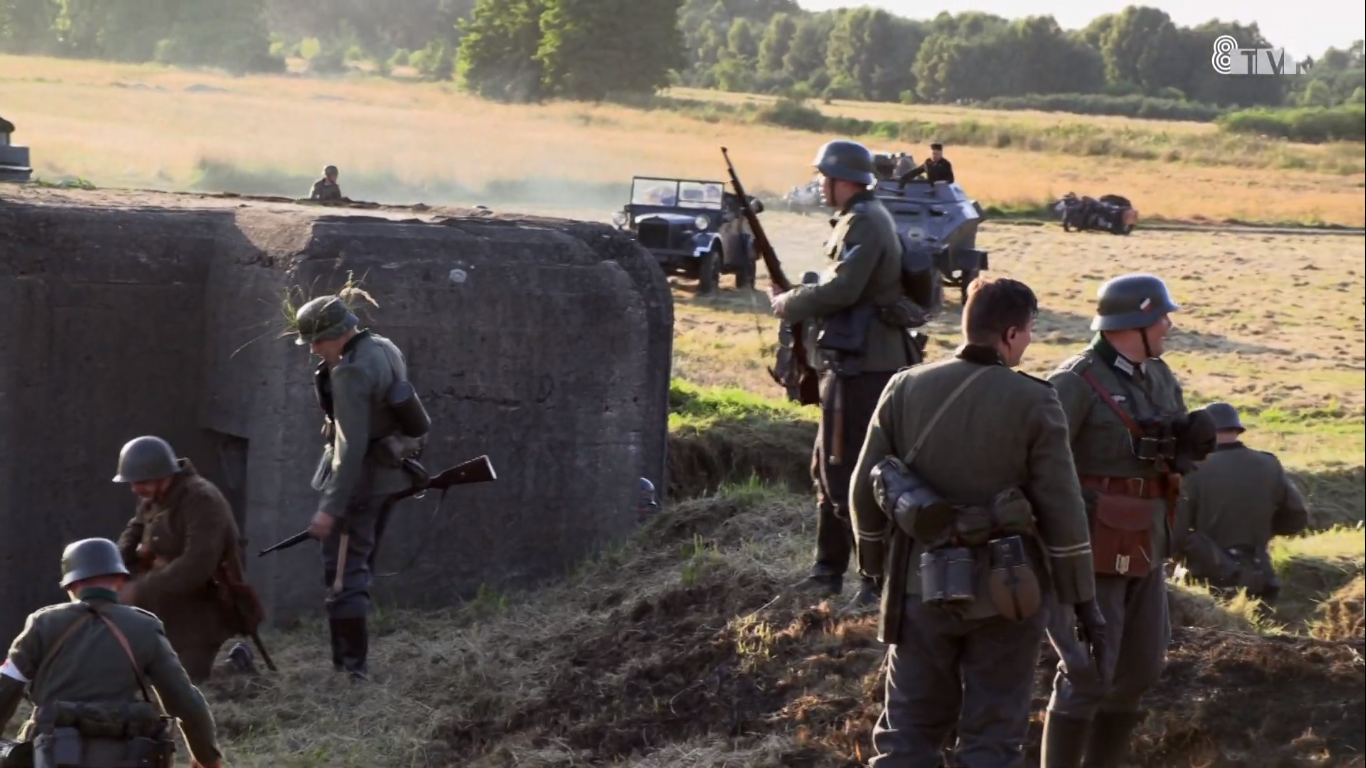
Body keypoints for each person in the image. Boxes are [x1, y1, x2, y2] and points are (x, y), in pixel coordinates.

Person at [848, 276, 1104, 766]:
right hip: (1009, 591)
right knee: (992, 737)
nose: (1029, 341)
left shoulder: (905, 386)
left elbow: (865, 487)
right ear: (1010, 333)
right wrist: (1079, 596)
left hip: (920, 587)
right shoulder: (1035, 399)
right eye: (1028, 331)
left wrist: (875, 567)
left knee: (906, 734)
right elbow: (1062, 505)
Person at [1040, 274, 1216, 768]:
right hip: (1093, 546)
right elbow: (1041, 464)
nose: (1168, 325)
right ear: (1134, 322)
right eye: (1161, 316)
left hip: (1147, 540)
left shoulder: (1158, 376)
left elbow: (1166, 446)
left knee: (1140, 668)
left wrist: (1186, 442)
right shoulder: (1075, 381)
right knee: (1088, 671)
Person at [770, 139, 920, 611]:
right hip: (850, 361)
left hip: (865, 367)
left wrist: (790, 301)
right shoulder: (858, 218)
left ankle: (873, 582)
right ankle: (826, 571)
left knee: (848, 473)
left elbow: (844, 287)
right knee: (826, 468)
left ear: (844, 179)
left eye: (824, 176)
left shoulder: (867, 221)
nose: (819, 183)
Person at [293, 293, 427, 680]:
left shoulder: (350, 372)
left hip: (359, 487)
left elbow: (349, 449)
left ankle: (351, 672)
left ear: (336, 334)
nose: (315, 350)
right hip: (388, 478)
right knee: (358, 568)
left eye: (317, 341)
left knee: (343, 577)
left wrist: (330, 508)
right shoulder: (384, 347)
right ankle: (350, 668)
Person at [0, 538, 223, 768]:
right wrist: (207, 757)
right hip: (129, 758)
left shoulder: (43, 623)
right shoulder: (145, 627)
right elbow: (185, 700)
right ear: (119, 580)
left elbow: (6, 687)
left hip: (54, 757)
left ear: (70, 585)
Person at [113, 435, 253, 683]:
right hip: (161, 601)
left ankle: (235, 665)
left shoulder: (201, 500)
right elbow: (133, 532)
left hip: (199, 610)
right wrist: (111, 567)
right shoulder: (153, 497)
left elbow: (196, 566)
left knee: (182, 684)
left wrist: (139, 589)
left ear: (162, 475)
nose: (134, 489)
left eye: (140, 482)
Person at [1172, 402, 1309, 608]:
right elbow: (1296, 519)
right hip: (1260, 575)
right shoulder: (1268, 463)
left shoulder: (1193, 469)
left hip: (1207, 582)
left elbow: (1175, 531)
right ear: (1237, 429)